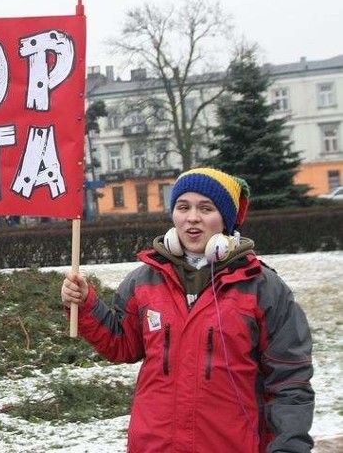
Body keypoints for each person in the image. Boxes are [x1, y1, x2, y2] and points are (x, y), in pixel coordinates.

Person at [61, 168, 314, 452]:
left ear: (226, 220)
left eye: (205, 208)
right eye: (184, 207)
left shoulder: (262, 287)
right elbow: (122, 345)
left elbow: (290, 382)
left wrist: (288, 447)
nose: (192, 217)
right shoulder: (144, 280)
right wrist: (85, 304)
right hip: (154, 445)